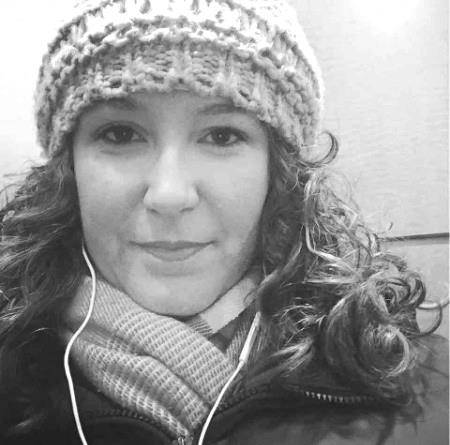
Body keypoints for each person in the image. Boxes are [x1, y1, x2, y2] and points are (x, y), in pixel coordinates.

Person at [0, 0, 447, 444]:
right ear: (69, 169)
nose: (170, 194)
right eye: (120, 134)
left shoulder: (427, 397)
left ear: (278, 172)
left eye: (221, 135)